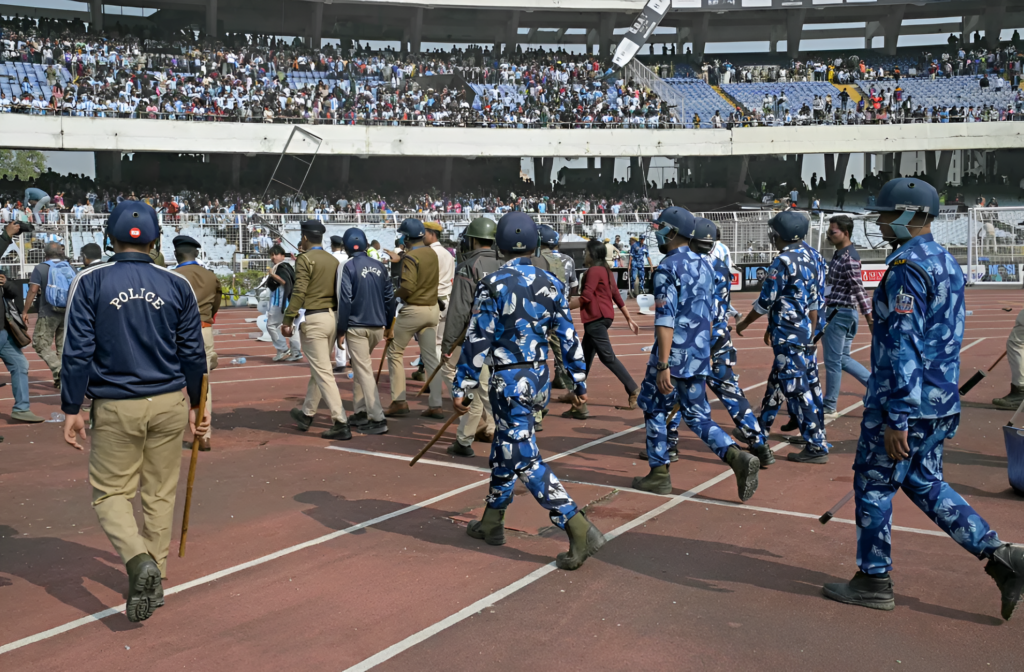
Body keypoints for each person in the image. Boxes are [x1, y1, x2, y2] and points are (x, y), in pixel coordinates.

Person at [822, 178, 1024, 620]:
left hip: (905, 404)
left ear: (911, 215)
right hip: (940, 401)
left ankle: (873, 579)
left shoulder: (907, 268)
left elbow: (902, 346)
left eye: (885, 214)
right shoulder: (944, 261)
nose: (878, 221)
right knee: (924, 481)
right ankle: (1002, 556)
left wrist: (896, 416)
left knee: (874, 484)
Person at [60, 201, 210, 623]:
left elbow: (76, 351)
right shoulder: (175, 283)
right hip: (168, 403)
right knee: (160, 493)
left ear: (110, 237)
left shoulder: (91, 280)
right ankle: (156, 573)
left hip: (116, 404)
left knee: (110, 494)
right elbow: (193, 352)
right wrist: (199, 404)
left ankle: (137, 559)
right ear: (158, 239)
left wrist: (72, 407)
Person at [452, 212, 605, 570]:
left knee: (522, 455)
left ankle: (575, 523)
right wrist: (578, 379)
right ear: (535, 244)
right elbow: (566, 335)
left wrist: (463, 385)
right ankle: (492, 520)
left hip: (507, 379)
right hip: (537, 377)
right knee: (507, 446)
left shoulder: (493, 284)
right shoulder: (551, 283)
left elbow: (478, 339)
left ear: (500, 245)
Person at [632, 206, 760, 501]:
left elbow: (665, 319)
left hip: (673, 354)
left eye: (661, 228)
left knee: (653, 407)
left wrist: (663, 363)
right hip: (700, 353)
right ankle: (735, 456)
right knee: (698, 415)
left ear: (673, 232)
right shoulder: (705, 264)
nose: (657, 234)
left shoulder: (667, 267)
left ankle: (659, 473)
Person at [735, 210, 830, 464]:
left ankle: (816, 444)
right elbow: (812, 299)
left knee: (797, 389)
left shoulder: (783, 261)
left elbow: (766, 300)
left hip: (789, 335)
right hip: (808, 332)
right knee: (785, 383)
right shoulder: (815, 256)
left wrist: (744, 322)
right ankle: (759, 431)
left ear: (780, 235)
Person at [693, 217, 772, 465]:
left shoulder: (691, 267)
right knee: (732, 393)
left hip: (697, 340)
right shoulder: (720, 266)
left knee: (675, 391)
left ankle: (668, 446)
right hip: (720, 336)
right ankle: (759, 444)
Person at [282, 221, 350, 440]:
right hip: (332, 316)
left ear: (304, 238)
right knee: (319, 369)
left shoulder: (305, 260)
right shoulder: (333, 260)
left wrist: (288, 318)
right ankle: (307, 413)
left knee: (322, 371)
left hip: (314, 318)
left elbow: (299, 290)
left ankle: (340, 421)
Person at [441, 217, 500, 457]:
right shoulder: (507, 263)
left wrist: (448, 343)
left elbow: (459, 308)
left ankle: (470, 438)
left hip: (478, 335)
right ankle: (468, 437)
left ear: (473, 239)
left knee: (478, 387)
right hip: (505, 337)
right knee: (487, 387)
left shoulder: (469, 266)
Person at [561, 238, 640, 418]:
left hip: (596, 319)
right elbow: (616, 296)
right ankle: (577, 393)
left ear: (593, 254)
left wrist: (563, 307)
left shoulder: (594, 271)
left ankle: (633, 388)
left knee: (607, 357)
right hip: (603, 318)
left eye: (586, 252)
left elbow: (586, 297)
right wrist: (628, 318)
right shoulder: (605, 270)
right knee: (585, 359)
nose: (584, 255)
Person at [336, 227, 394, 436]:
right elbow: (390, 298)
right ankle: (360, 411)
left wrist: (340, 329)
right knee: (362, 369)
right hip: (377, 326)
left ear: (346, 246)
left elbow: (345, 299)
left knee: (364, 372)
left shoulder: (347, 266)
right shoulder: (380, 266)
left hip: (356, 326)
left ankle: (377, 418)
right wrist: (388, 325)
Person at [384, 218, 442, 418]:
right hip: (432, 308)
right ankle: (436, 403)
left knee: (394, 352)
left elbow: (408, 286)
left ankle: (399, 401)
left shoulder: (411, 257)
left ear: (407, 237)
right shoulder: (431, 253)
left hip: (414, 309)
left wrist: (394, 294)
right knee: (431, 357)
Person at [171, 235, 222, 452]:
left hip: (177, 332)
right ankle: (204, 434)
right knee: (203, 385)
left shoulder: (172, 276)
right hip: (204, 329)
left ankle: (167, 430)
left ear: (176, 254)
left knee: (170, 382)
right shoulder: (211, 276)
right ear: (197, 254)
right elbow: (217, 304)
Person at [821, 215, 873, 417]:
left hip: (840, 313)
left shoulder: (848, 258)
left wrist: (870, 318)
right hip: (841, 312)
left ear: (846, 233)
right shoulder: (839, 254)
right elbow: (831, 285)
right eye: (829, 231)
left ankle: (829, 405)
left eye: (833, 232)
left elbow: (859, 289)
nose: (829, 235)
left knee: (833, 362)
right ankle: (876, 388)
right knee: (842, 359)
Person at [23, 241, 73, 388]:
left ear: (45, 254)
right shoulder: (69, 267)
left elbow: (32, 291)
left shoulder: (41, 268)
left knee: (40, 344)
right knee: (62, 347)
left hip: (48, 312)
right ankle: (62, 381)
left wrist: (25, 311)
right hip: (67, 312)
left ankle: (59, 371)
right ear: (61, 252)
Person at [413, 221, 454, 395]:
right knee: (440, 347)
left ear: (431, 234)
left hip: (433, 302)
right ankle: (444, 389)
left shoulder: (429, 253)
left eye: (424, 233)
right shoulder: (448, 254)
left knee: (431, 351)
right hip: (447, 300)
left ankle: (439, 392)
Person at [538, 224, 575, 394]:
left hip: (541, 313)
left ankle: (539, 399)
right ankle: (575, 393)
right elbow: (574, 285)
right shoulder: (568, 259)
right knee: (564, 353)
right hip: (561, 311)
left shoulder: (537, 260)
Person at [265, 245, 302, 361]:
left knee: (271, 325)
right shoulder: (287, 266)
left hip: (281, 302)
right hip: (288, 302)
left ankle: (282, 348)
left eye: (275, 254)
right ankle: (296, 352)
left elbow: (284, 282)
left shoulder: (281, 267)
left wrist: (272, 275)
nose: (273, 257)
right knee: (289, 326)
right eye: (271, 255)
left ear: (282, 255)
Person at [329, 235, 349, 372]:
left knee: (339, 330)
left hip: (336, 297)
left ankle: (341, 362)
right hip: (351, 296)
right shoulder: (348, 258)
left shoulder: (330, 258)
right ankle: (352, 358)